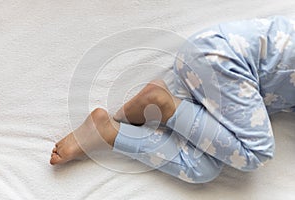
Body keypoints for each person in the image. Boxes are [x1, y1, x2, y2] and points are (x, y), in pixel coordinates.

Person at [50, 16, 295, 183]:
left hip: (214, 86)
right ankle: (164, 105)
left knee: (201, 168)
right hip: (225, 60)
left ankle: (109, 131)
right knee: (256, 153)